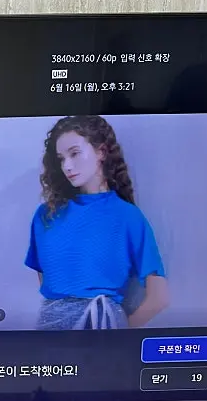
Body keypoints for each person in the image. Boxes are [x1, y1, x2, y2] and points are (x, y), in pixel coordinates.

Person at [25, 115, 169, 330]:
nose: (67, 166)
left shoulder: (128, 216)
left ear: (101, 152)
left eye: (74, 153)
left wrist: (118, 333)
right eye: (61, 159)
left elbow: (159, 297)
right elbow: (47, 282)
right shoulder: (46, 215)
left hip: (105, 327)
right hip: (50, 333)